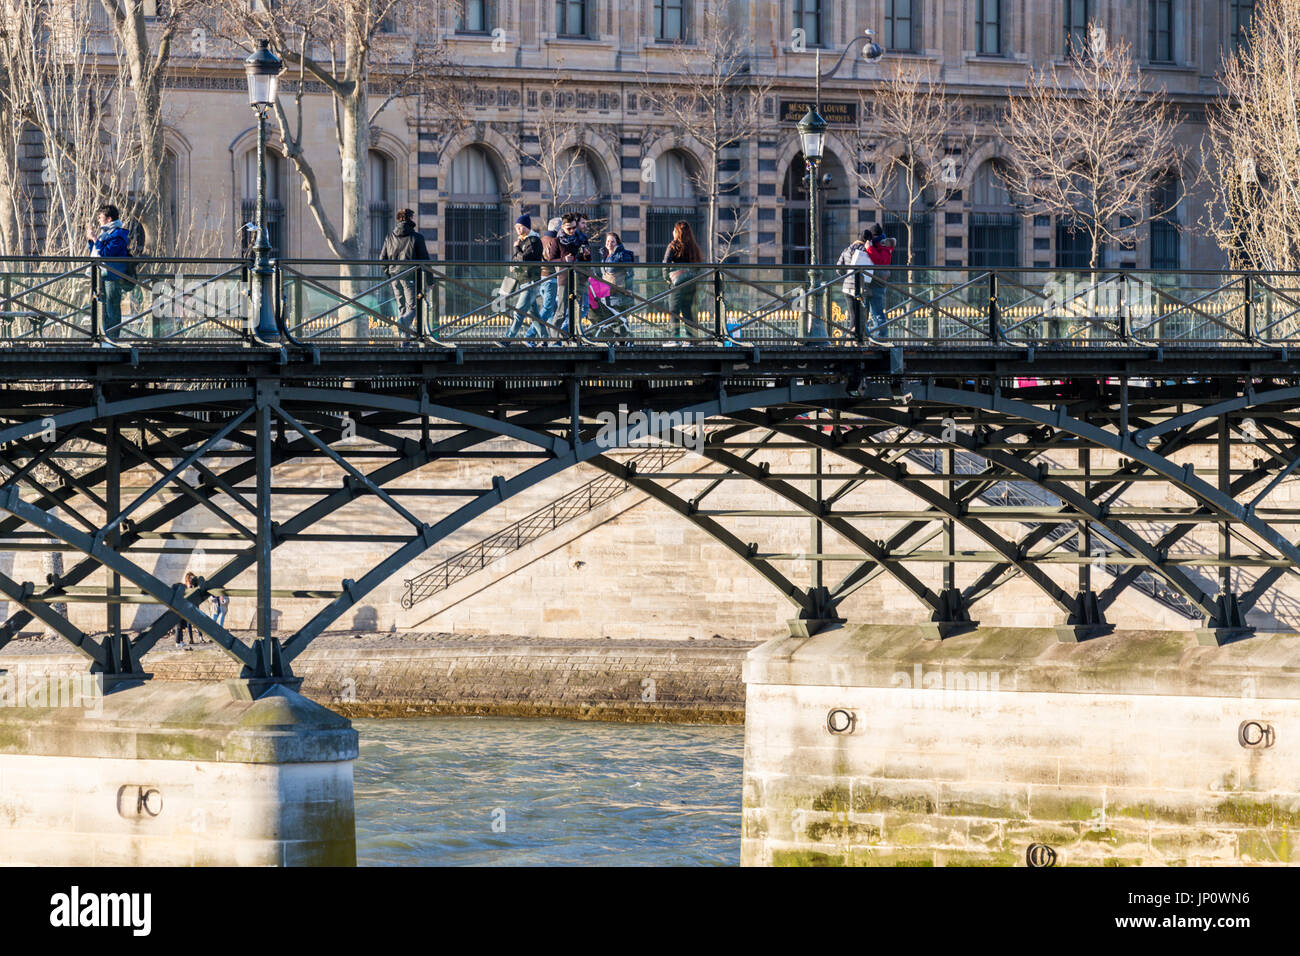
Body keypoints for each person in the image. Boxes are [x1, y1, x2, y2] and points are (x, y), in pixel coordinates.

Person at [85, 204, 134, 344]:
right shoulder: (105, 233)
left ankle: (113, 338)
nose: (98, 220)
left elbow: (107, 254)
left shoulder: (118, 234)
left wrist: (95, 239)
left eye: (100, 217)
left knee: (112, 306)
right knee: (102, 307)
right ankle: (103, 337)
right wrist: (91, 240)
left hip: (112, 275)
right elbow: (96, 252)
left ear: (109, 219)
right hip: (102, 274)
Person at [378, 208, 430, 339]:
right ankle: (400, 325)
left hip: (395, 277)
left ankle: (404, 340)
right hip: (410, 276)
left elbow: (382, 259)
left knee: (402, 308)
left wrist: (389, 274)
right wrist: (430, 280)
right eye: (413, 217)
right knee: (414, 307)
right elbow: (425, 260)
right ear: (410, 219)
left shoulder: (389, 237)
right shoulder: (417, 237)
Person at [506, 214, 546, 342]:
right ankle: (546, 339)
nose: (517, 229)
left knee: (519, 312)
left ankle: (507, 339)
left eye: (520, 226)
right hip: (523, 281)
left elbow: (523, 258)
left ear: (527, 226)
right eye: (516, 227)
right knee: (534, 315)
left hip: (531, 281)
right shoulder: (523, 240)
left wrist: (516, 248)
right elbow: (516, 258)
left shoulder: (533, 240)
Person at [662, 220, 703, 344]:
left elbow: (665, 264)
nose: (673, 232)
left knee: (674, 310)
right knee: (688, 310)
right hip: (692, 282)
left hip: (677, 283)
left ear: (677, 232)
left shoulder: (673, 245)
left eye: (674, 230)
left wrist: (667, 278)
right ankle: (691, 340)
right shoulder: (694, 247)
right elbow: (698, 266)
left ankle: (675, 339)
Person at [591, 232, 635, 341]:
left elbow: (630, 273)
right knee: (615, 320)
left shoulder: (622, 255)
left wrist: (628, 288)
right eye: (608, 241)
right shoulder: (605, 256)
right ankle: (618, 341)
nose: (609, 244)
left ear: (617, 243)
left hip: (620, 294)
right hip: (607, 295)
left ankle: (626, 342)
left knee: (621, 320)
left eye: (612, 241)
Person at [555, 213, 591, 337]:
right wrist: (564, 260)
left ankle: (574, 337)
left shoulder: (582, 239)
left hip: (580, 278)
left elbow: (588, 260)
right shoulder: (557, 241)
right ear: (562, 227)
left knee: (579, 309)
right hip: (565, 279)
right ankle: (554, 339)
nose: (572, 231)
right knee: (561, 311)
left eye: (574, 228)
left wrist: (586, 255)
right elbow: (551, 260)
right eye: (568, 228)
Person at [836, 230, 874, 343]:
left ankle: (851, 339)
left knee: (853, 315)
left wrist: (847, 276)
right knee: (863, 315)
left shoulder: (846, 249)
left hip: (847, 287)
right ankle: (855, 339)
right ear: (868, 240)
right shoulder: (864, 250)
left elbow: (838, 268)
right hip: (860, 288)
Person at [864, 223, 897, 339]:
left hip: (876, 283)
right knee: (872, 311)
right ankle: (873, 335)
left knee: (876, 312)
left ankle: (881, 336)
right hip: (875, 282)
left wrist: (869, 248)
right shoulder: (882, 245)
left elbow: (879, 261)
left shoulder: (881, 246)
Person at [539, 216, 563, 343]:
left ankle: (552, 339)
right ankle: (531, 334)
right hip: (551, 278)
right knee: (548, 309)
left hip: (541, 278)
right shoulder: (554, 241)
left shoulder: (541, 239)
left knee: (551, 310)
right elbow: (553, 260)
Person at [175, 572, 199, 646]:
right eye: (190, 580)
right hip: (179, 609)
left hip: (184, 609)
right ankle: (177, 642)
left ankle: (181, 641)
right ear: (187, 581)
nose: (191, 583)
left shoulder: (190, 588)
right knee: (178, 626)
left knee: (181, 626)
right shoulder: (183, 587)